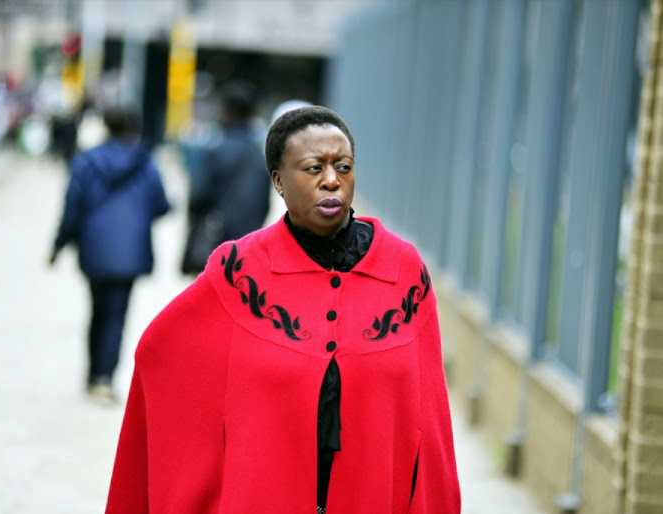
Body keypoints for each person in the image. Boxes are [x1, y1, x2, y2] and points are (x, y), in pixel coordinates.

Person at [106, 106, 460, 512]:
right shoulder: (239, 271)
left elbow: (430, 420)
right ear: (278, 181)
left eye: (343, 167)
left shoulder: (404, 272)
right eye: (313, 168)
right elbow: (160, 353)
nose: (332, 181)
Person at [48, 105, 171, 405]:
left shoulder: (86, 161)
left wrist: (58, 245)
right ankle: (104, 378)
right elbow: (162, 205)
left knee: (96, 311)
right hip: (130, 250)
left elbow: (72, 207)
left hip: (94, 247)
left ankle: (92, 373)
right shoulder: (146, 162)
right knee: (117, 314)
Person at [180, 79, 271, 274]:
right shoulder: (259, 157)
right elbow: (264, 205)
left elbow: (197, 196)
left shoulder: (214, 151)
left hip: (212, 245)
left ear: (228, 111)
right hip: (244, 249)